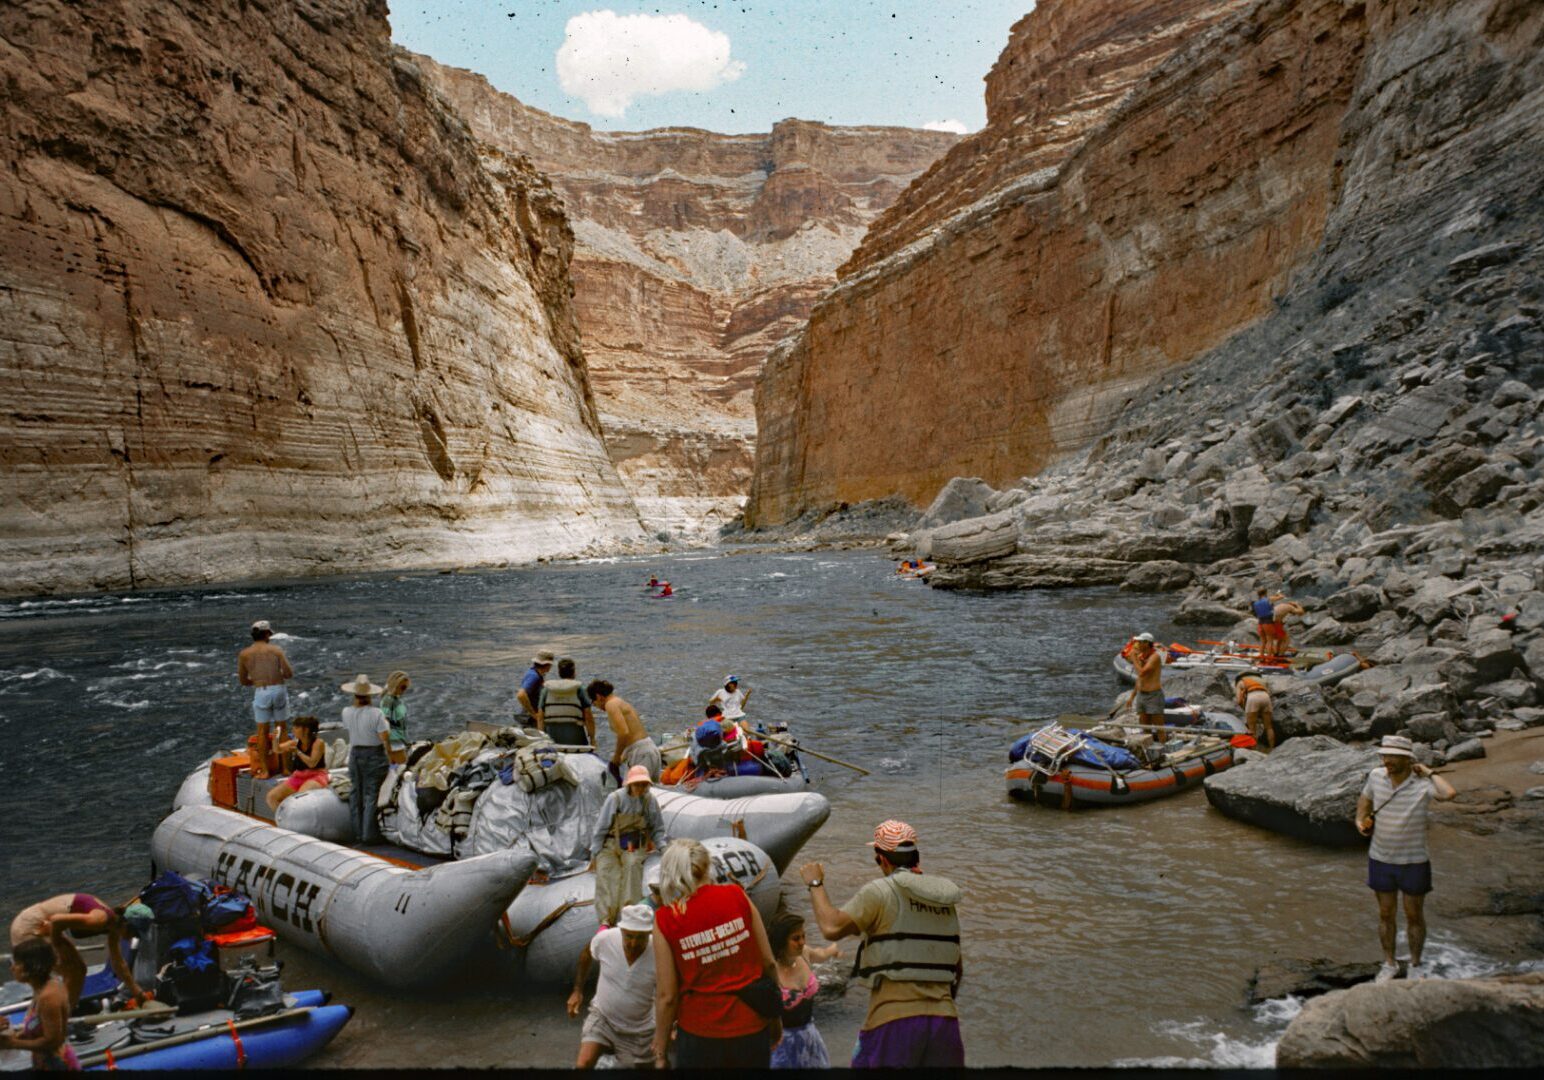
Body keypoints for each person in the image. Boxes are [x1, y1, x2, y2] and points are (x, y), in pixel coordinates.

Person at [800, 820, 964, 1068]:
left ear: (882, 859)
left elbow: (831, 928)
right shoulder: (944, 900)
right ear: (915, 856)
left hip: (894, 1022)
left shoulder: (879, 892)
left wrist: (815, 884)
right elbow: (956, 968)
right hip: (945, 1023)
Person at [652, 839, 781, 1069]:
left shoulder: (665, 919)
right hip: (750, 1027)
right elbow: (769, 963)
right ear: (707, 866)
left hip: (699, 1034)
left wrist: (660, 1050)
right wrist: (775, 1016)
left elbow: (667, 996)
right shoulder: (737, 895)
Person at [1355, 735, 1457, 982]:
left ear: (1407, 759)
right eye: (1383, 755)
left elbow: (1449, 793)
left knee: (1414, 915)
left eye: (1391, 756)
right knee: (1385, 914)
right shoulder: (1376, 776)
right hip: (1380, 857)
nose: (1386, 760)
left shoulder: (1422, 783)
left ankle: (1415, 964)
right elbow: (1365, 799)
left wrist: (1429, 772)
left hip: (1414, 860)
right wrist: (1360, 821)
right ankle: (1389, 964)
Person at [8, 893, 144, 1010]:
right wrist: (56, 945)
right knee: (69, 974)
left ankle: (65, 1013)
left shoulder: (113, 924)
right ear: (125, 924)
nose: (132, 937)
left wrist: (136, 991)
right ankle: (60, 1017)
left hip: (46, 925)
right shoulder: (100, 919)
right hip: (31, 927)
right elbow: (56, 921)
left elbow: (118, 963)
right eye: (134, 933)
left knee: (78, 971)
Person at [568, 903, 657, 1069]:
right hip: (603, 1017)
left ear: (649, 934)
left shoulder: (659, 952)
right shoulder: (606, 939)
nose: (633, 943)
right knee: (583, 1064)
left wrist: (670, 1026)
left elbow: (668, 992)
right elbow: (586, 954)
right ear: (621, 930)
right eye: (629, 936)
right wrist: (577, 990)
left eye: (640, 938)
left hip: (639, 1030)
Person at [590, 766, 669, 928]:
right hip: (610, 844)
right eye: (637, 784)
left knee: (632, 867)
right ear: (629, 784)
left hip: (634, 845)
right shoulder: (615, 799)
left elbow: (657, 828)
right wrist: (594, 853)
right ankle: (605, 919)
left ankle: (628, 914)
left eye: (643, 785)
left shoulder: (649, 800)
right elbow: (601, 827)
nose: (640, 788)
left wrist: (663, 848)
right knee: (606, 874)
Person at [768, 911, 839, 1069]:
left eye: (803, 936)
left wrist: (833, 949)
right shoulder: (770, 970)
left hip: (810, 1038)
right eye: (796, 938)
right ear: (781, 941)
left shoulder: (804, 954)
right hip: (782, 1045)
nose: (802, 942)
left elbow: (821, 954)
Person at [0, 937, 79, 1070]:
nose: (13, 968)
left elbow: (53, 1041)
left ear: (32, 966)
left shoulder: (49, 997)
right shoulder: (41, 989)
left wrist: (13, 1043)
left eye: (17, 963)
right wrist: (15, 1033)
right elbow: (40, 1028)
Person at [237, 619, 293, 779]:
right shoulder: (276, 650)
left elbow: (243, 680)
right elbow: (289, 673)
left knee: (262, 731)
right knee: (281, 728)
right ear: (267, 633)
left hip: (261, 690)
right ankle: (286, 769)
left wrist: (256, 680)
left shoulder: (244, 654)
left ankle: (265, 770)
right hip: (279, 689)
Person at [340, 673, 391, 844]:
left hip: (355, 754)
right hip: (373, 755)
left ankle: (358, 833)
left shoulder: (346, 712)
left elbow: (350, 728)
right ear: (370, 696)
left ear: (354, 694)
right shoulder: (376, 713)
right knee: (371, 794)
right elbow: (384, 737)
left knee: (356, 793)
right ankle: (369, 834)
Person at [588, 680, 662, 783]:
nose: (596, 706)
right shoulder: (619, 702)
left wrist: (616, 758)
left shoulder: (611, 704)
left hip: (641, 754)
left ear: (599, 696)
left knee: (632, 793)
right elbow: (631, 735)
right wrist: (622, 756)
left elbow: (623, 733)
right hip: (647, 750)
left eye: (593, 702)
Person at [266, 715, 329, 812]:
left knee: (301, 798)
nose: (293, 730)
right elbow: (277, 749)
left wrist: (298, 752)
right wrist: (275, 739)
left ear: (306, 730)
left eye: (296, 727)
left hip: (316, 776)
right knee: (271, 797)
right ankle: (284, 819)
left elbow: (312, 763)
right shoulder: (295, 743)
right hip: (299, 776)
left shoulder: (318, 743)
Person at [538, 659, 595, 747]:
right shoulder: (579, 690)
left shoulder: (546, 690)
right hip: (575, 736)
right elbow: (588, 716)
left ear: (559, 672)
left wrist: (541, 740)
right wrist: (592, 739)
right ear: (574, 672)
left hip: (552, 735)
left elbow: (540, 717)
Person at [1125, 632, 1168, 743]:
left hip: (1154, 695)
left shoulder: (1155, 657)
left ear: (1147, 643)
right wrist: (1132, 696)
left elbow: (1142, 673)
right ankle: (1149, 750)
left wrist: (1134, 658)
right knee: (1145, 727)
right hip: (1142, 695)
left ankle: (1164, 750)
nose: (1137, 644)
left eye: (1140, 642)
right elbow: (1140, 679)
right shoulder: (1142, 657)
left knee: (1159, 728)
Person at [1234, 673, 1276, 750]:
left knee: (1252, 729)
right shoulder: (1262, 680)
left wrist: (1245, 708)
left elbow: (1239, 700)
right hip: (1265, 697)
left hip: (1252, 697)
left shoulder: (1240, 682)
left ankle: (1254, 750)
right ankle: (1272, 748)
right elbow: (1270, 694)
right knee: (1269, 727)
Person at [379, 671, 412, 765]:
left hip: (399, 740)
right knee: (403, 768)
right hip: (394, 742)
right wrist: (388, 745)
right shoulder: (388, 701)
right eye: (403, 687)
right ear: (395, 685)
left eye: (406, 687)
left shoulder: (395, 699)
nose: (404, 690)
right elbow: (384, 722)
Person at [516, 650, 555, 725]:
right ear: (547, 665)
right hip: (529, 719)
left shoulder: (535, 673)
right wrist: (534, 715)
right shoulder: (534, 676)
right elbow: (521, 695)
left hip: (529, 717)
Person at [1250, 589, 1281, 657]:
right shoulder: (1268, 599)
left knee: (1263, 642)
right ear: (1265, 593)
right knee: (1270, 641)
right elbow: (1281, 597)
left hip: (1260, 623)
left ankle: (1261, 657)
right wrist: (1278, 594)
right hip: (1268, 622)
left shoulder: (1256, 603)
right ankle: (1269, 658)